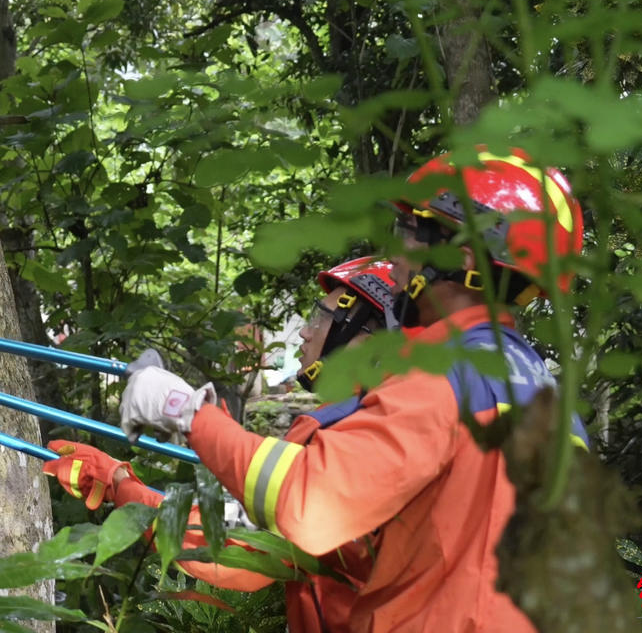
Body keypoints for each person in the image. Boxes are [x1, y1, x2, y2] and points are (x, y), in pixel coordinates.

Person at [115, 147, 588, 633]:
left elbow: (310, 507)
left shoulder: (443, 377)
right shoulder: (536, 388)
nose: (396, 253)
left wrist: (184, 412)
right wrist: (123, 485)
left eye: (409, 230)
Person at [43, 256, 406, 631]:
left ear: (365, 335)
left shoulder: (357, 435)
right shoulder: (384, 426)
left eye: (321, 317)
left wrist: (119, 482)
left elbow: (228, 545)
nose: (305, 332)